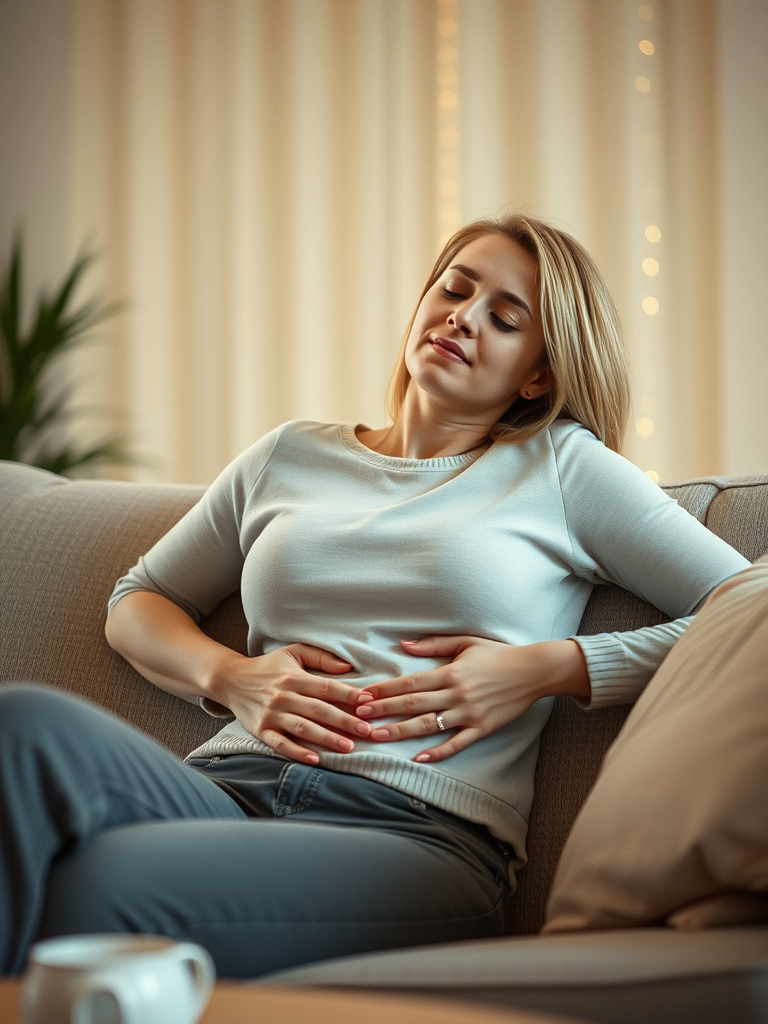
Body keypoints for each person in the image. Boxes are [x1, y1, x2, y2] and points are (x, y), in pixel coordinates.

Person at [0, 215, 749, 979]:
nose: (464, 315)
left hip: (416, 836)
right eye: (454, 289)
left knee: (105, 888)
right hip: (226, 788)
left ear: (538, 375)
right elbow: (141, 597)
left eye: (505, 316)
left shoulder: (561, 468)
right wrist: (232, 678)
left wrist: (548, 668)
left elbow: (747, 603)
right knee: (19, 723)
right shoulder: (291, 453)